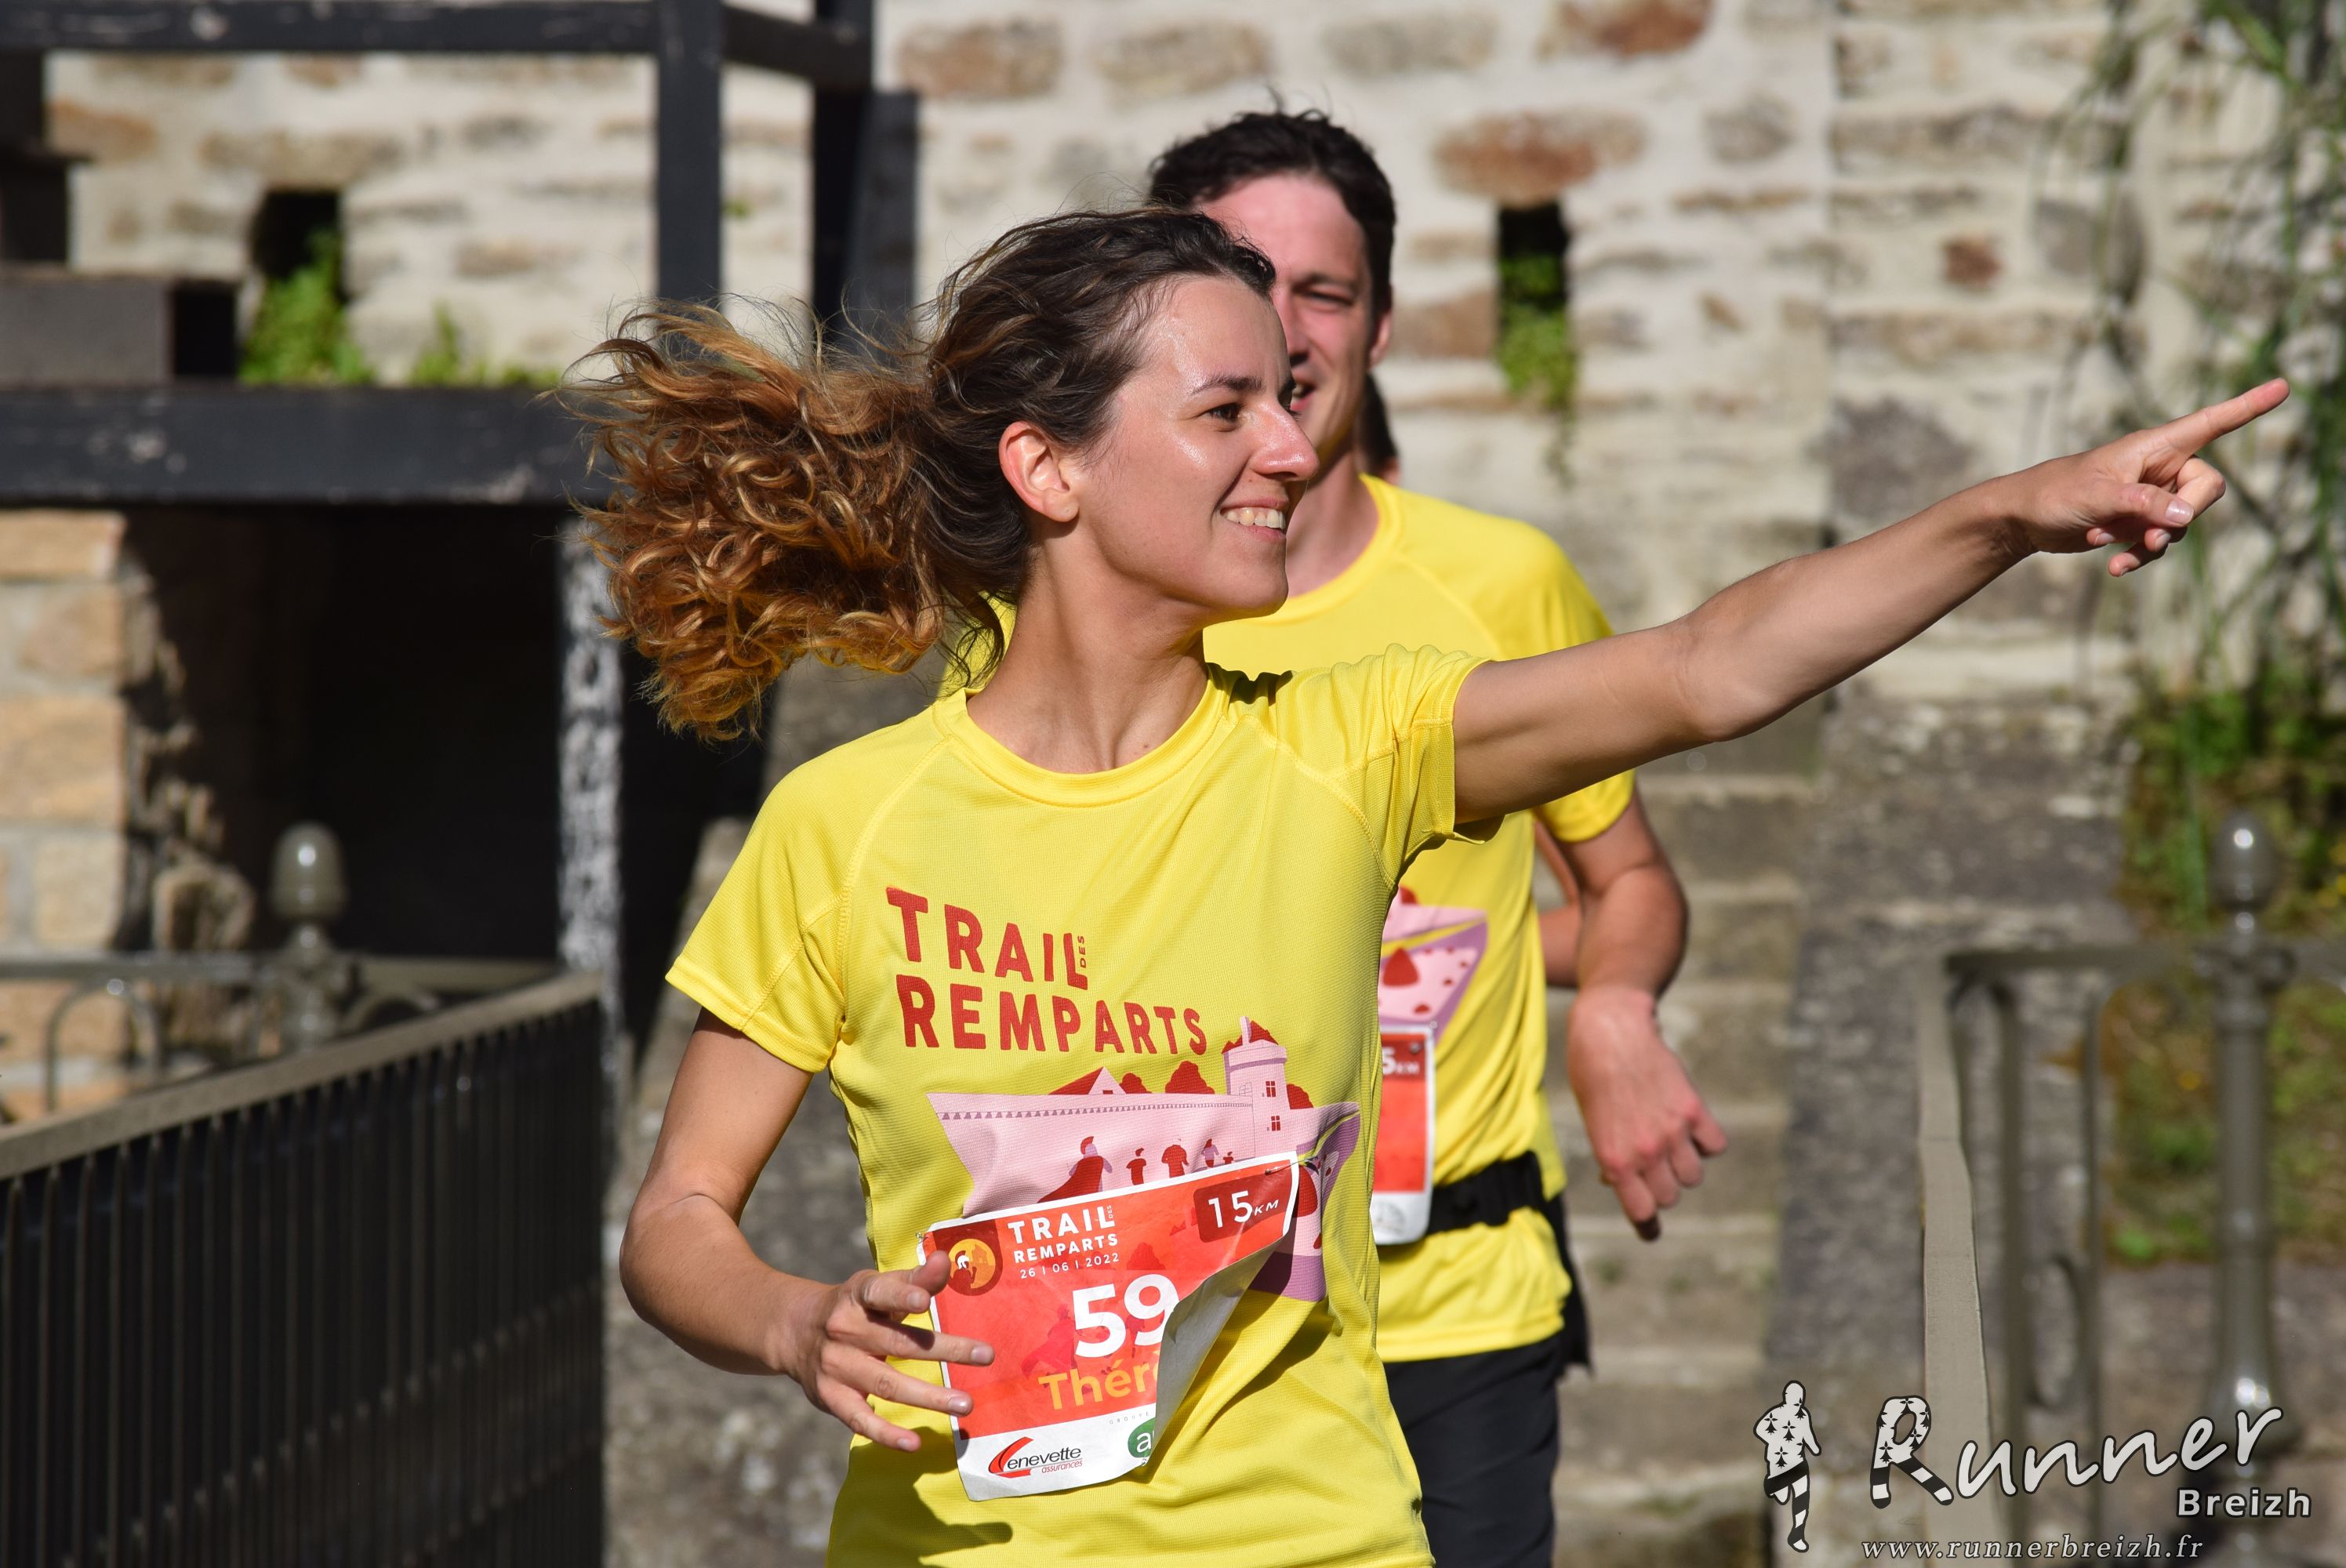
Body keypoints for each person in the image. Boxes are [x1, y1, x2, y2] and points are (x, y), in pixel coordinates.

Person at [588, 203, 2280, 1566]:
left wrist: (2009, 514)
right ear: (1052, 470)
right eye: (1225, 409)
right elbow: (674, 1228)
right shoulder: (847, 825)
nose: (1292, 445)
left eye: (1292, 396)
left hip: (1317, 1541)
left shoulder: (1350, 746)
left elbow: (1709, 667)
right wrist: (794, 1322)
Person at [1145, 111, 1703, 1566]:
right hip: (1190, 1312)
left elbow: (1628, 880)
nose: (1285, 328)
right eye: (1241, 280)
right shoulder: (1095, 606)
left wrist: (1618, 1003)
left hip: (1456, 1309)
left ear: (1381, 324)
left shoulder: (1499, 584)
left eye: (1323, 292)